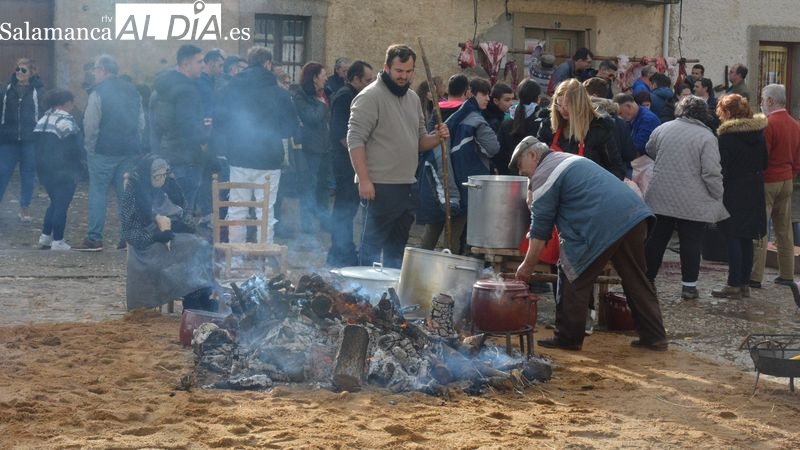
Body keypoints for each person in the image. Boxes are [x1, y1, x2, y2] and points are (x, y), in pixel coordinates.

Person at [511, 136, 667, 351]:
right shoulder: (566, 159)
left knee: (572, 273)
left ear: (532, 155)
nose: (521, 172)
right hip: (634, 215)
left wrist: (526, 267)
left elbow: (540, 229)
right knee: (637, 279)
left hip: (602, 223)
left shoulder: (545, 172)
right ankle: (655, 336)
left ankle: (568, 338)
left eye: (520, 165)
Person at [347, 44, 449, 268]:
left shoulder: (413, 98)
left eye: (408, 71)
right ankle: (365, 290)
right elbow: (355, 140)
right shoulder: (369, 96)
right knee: (370, 250)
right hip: (378, 187)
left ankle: (392, 290)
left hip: (407, 187)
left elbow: (419, 141)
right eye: (399, 71)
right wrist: (364, 180)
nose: (404, 76)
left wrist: (437, 138)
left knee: (397, 252)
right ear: (387, 67)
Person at [643, 95, 729, 299]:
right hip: (693, 198)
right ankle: (689, 286)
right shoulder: (707, 137)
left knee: (657, 239)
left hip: (661, 194)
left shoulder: (663, 128)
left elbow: (649, 149)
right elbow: (711, 171)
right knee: (691, 241)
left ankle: (647, 280)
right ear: (704, 113)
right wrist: (717, 193)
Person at [215, 46, 298, 244]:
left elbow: (219, 122)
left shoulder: (230, 89)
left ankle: (235, 257)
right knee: (265, 211)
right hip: (269, 159)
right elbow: (290, 129)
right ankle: (263, 256)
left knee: (237, 208)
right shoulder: (280, 93)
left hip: (238, 157)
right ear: (268, 64)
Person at [120, 154, 217, 311]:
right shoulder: (135, 189)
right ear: (147, 174)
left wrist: (178, 225)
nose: (161, 179)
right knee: (194, 247)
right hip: (147, 245)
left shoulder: (170, 186)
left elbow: (185, 214)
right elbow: (129, 232)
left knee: (201, 245)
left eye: (163, 175)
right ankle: (192, 297)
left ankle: (200, 295)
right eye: (156, 176)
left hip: (172, 236)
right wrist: (154, 235)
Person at [418, 77, 499, 253]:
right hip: (463, 184)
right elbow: (493, 147)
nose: (488, 98)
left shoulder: (436, 112)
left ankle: (420, 266)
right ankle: (449, 268)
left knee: (431, 233)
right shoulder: (474, 116)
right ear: (468, 92)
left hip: (438, 182)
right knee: (453, 236)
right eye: (484, 94)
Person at [73, 54, 144, 252]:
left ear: (103, 70)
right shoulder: (133, 90)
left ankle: (94, 238)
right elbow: (141, 122)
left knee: (98, 193)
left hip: (103, 151)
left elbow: (91, 124)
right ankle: (127, 239)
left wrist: (90, 148)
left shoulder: (98, 92)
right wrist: (135, 143)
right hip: (129, 150)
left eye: (95, 69)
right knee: (126, 195)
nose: (94, 73)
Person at [711, 94, 767, 299]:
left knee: (732, 234)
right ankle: (744, 283)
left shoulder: (727, 137)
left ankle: (733, 283)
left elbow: (721, 166)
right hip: (755, 187)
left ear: (727, 112)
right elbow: (765, 162)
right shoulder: (758, 133)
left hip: (734, 189)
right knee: (747, 236)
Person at [750, 84, 800, 288]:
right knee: (784, 229)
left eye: (763, 99)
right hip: (787, 179)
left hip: (768, 180)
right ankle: (787, 274)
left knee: (761, 228)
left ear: (770, 101)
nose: (761, 103)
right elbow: (798, 158)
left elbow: (763, 157)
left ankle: (755, 276)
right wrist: (791, 174)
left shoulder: (768, 124)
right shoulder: (795, 124)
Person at [151, 44, 209, 218]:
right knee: (183, 212)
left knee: (168, 210)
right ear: (185, 65)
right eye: (199, 62)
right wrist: (204, 138)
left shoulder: (161, 89)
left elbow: (155, 124)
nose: (203, 66)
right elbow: (187, 124)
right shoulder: (187, 91)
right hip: (186, 157)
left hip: (166, 153)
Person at [327, 61, 374, 267]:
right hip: (345, 163)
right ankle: (340, 252)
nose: (370, 84)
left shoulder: (356, 96)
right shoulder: (345, 96)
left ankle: (342, 250)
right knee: (344, 209)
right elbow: (341, 134)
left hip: (351, 162)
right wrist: (360, 156)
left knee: (349, 209)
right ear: (355, 79)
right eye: (367, 80)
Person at [538, 79, 624, 180]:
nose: (562, 110)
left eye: (567, 106)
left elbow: (616, 170)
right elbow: (537, 160)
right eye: (559, 105)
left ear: (579, 105)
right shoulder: (548, 125)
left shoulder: (599, 128)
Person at [33, 89, 81, 251]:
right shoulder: (66, 120)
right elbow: (75, 147)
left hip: (44, 169)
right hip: (63, 169)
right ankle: (58, 240)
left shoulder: (43, 119)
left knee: (54, 202)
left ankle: (45, 236)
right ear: (66, 103)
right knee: (62, 204)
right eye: (72, 103)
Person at [0, 58, 43, 222]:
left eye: (23, 70)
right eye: (17, 69)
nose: (19, 72)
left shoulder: (39, 92)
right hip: (8, 139)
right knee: (2, 173)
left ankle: (25, 208)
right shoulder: (6, 90)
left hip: (30, 139)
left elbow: (43, 113)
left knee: (28, 174)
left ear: (32, 73)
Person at [292, 62, 330, 234]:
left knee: (323, 187)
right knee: (309, 186)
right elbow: (311, 118)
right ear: (314, 78)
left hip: (325, 147)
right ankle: (306, 225)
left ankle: (324, 221)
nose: (326, 78)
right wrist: (321, 104)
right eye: (323, 75)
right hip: (310, 149)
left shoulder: (324, 93)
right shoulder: (300, 96)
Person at [496, 79, 545, 175]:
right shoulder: (542, 123)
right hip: (536, 177)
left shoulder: (506, 123)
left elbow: (499, 155)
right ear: (538, 98)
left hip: (510, 177)